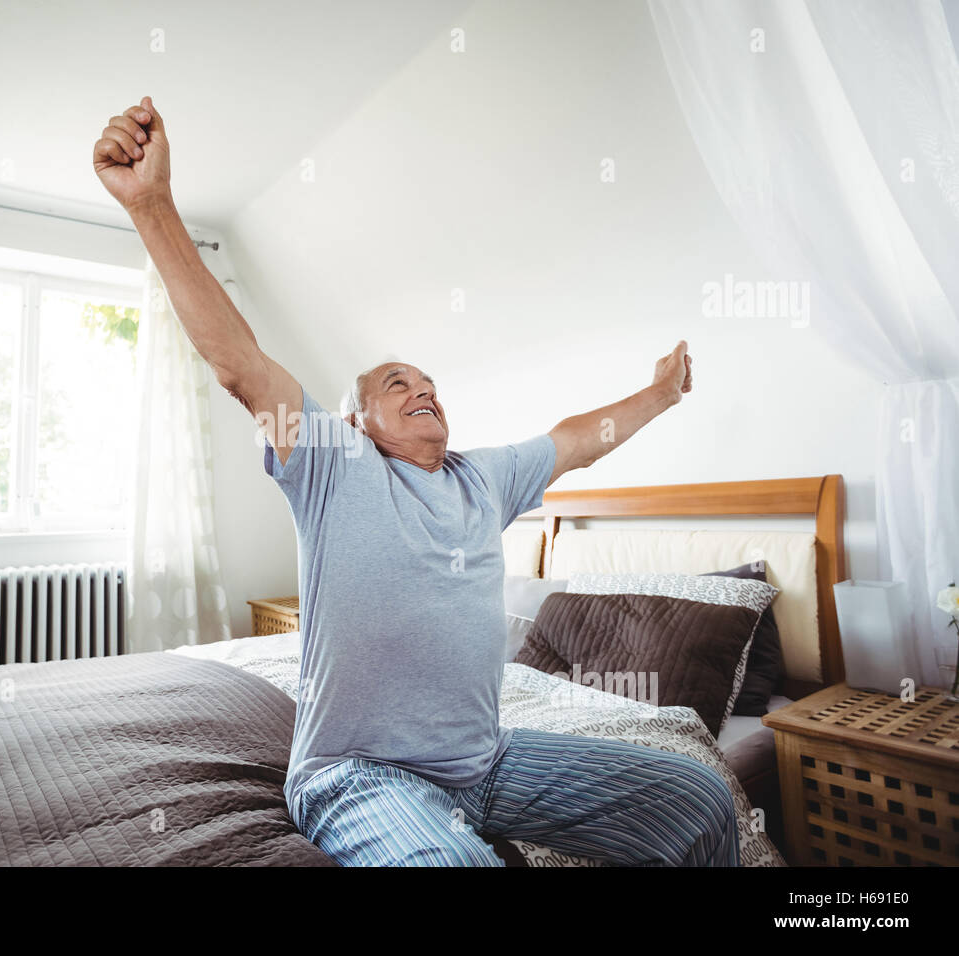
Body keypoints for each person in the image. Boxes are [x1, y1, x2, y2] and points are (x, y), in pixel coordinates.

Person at [94, 97, 738, 867]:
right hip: (357, 773)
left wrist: (662, 393)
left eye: (430, 381)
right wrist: (153, 206)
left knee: (697, 800)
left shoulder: (484, 479)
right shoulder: (334, 465)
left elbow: (576, 442)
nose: (422, 387)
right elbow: (239, 366)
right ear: (359, 418)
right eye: (397, 382)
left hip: (487, 763)